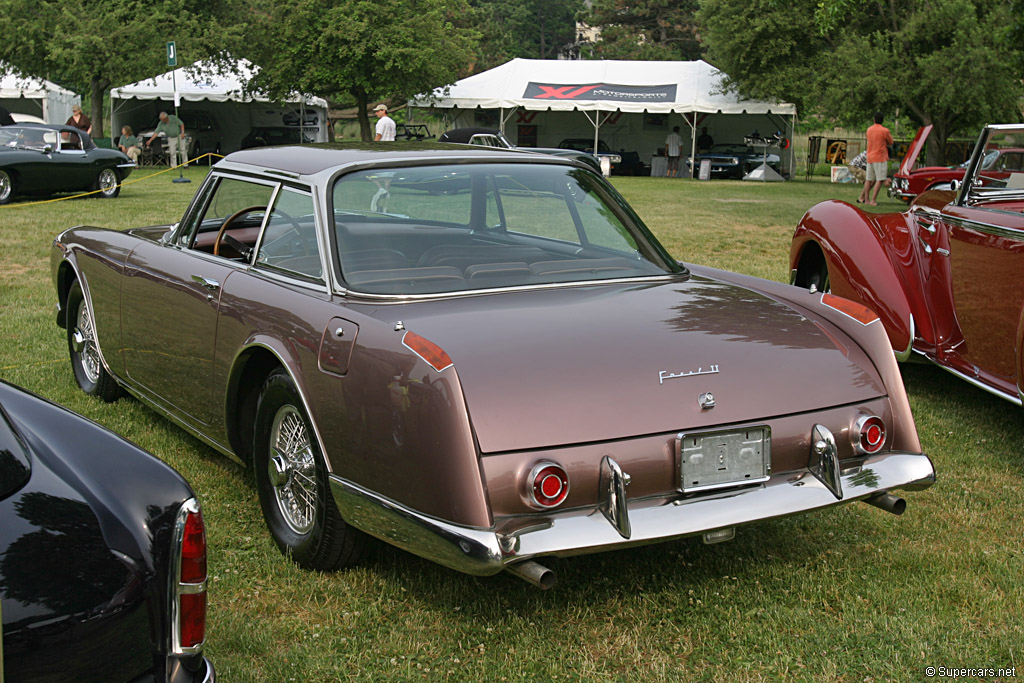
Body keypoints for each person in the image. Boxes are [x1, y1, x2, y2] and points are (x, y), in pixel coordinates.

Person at [858, 111, 893, 206]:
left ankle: (866, 199)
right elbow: (890, 141)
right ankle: (873, 200)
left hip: (870, 156)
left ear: (874, 120)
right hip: (880, 157)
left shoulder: (869, 130)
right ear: (882, 120)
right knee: (880, 179)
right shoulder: (885, 130)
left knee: (869, 179)